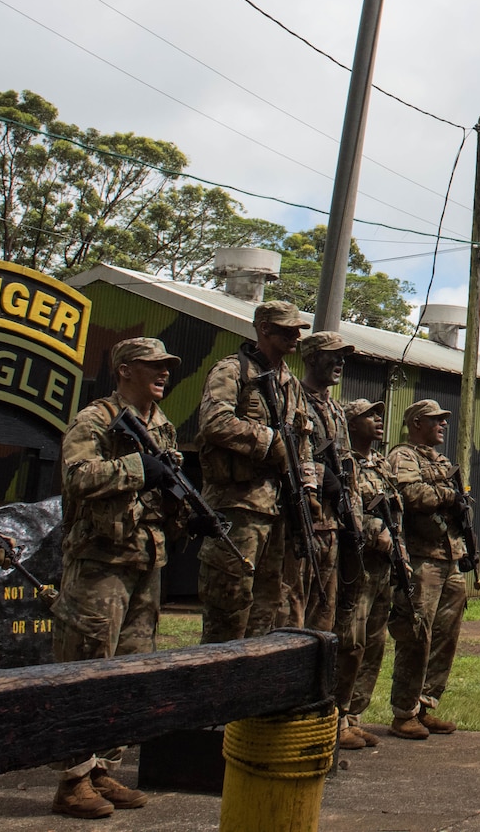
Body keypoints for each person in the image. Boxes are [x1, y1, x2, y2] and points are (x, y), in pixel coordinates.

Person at [49, 337, 184, 819]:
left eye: (166, 367)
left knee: (129, 670)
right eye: (154, 366)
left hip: (144, 560)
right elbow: (76, 476)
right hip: (100, 561)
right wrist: (136, 467)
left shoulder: (162, 426)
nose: (164, 373)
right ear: (125, 370)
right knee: (85, 665)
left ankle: (104, 765)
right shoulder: (95, 419)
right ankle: (73, 778)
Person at [197, 300, 315, 642]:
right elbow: (214, 422)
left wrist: (308, 489)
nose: (296, 335)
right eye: (287, 329)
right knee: (228, 607)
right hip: (238, 506)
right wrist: (270, 441)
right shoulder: (232, 371)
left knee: (268, 607)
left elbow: (301, 440)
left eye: (298, 329)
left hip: (280, 508)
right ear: (264, 328)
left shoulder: (290, 383)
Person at [385, 399, 470, 740]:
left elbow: (456, 499)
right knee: (416, 633)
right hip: (421, 559)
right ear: (417, 422)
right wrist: (448, 496)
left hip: (449, 557)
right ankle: (404, 711)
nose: (442, 425)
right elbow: (409, 493)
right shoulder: (403, 456)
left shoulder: (442, 461)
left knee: (446, 635)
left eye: (444, 420)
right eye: (436, 420)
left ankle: (425, 703)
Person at [334, 397, 395, 749]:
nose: (377, 419)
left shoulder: (381, 465)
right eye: (368, 415)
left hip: (383, 568)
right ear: (351, 423)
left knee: (374, 643)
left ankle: (353, 715)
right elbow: (347, 509)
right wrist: (376, 532)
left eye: (379, 414)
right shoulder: (346, 463)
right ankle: (335, 717)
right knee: (350, 642)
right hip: (356, 566)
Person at [296, 331, 354, 634]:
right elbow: (289, 453)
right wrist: (320, 476)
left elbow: (347, 464)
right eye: (333, 354)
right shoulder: (293, 398)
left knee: (324, 615)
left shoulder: (336, 410)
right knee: (292, 611)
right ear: (312, 358)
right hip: (302, 523)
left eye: (343, 356)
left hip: (333, 525)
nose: (340, 361)